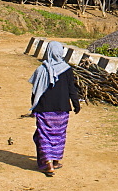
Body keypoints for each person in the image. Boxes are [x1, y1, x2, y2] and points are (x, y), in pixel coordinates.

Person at [29, 41, 80, 176]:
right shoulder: (67, 69)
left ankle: (49, 164)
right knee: (59, 135)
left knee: (44, 136)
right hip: (62, 109)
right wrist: (76, 104)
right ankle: (55, 161)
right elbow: (72, 89)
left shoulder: (41, 69)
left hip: (44, 108)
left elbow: (35, 91)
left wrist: (33, 106)